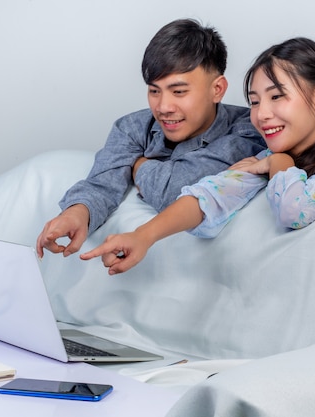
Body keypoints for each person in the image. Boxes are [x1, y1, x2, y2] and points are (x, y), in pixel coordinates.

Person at [80, 37, 315, 274]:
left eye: (277, 97)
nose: (262, 114)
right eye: (255, 102)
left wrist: (279, 163)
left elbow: (295, 210)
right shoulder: (261, 158)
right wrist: (142, 237)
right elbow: (208, 196)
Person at [35, 18, 265, 258]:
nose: (163, 106)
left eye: (179, 92)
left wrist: (139, 165)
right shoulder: (132, 126)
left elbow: (173, 193)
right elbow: (102, 183)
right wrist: (77, 213)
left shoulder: (248, 130)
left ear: (217, 89)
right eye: (154, 91)